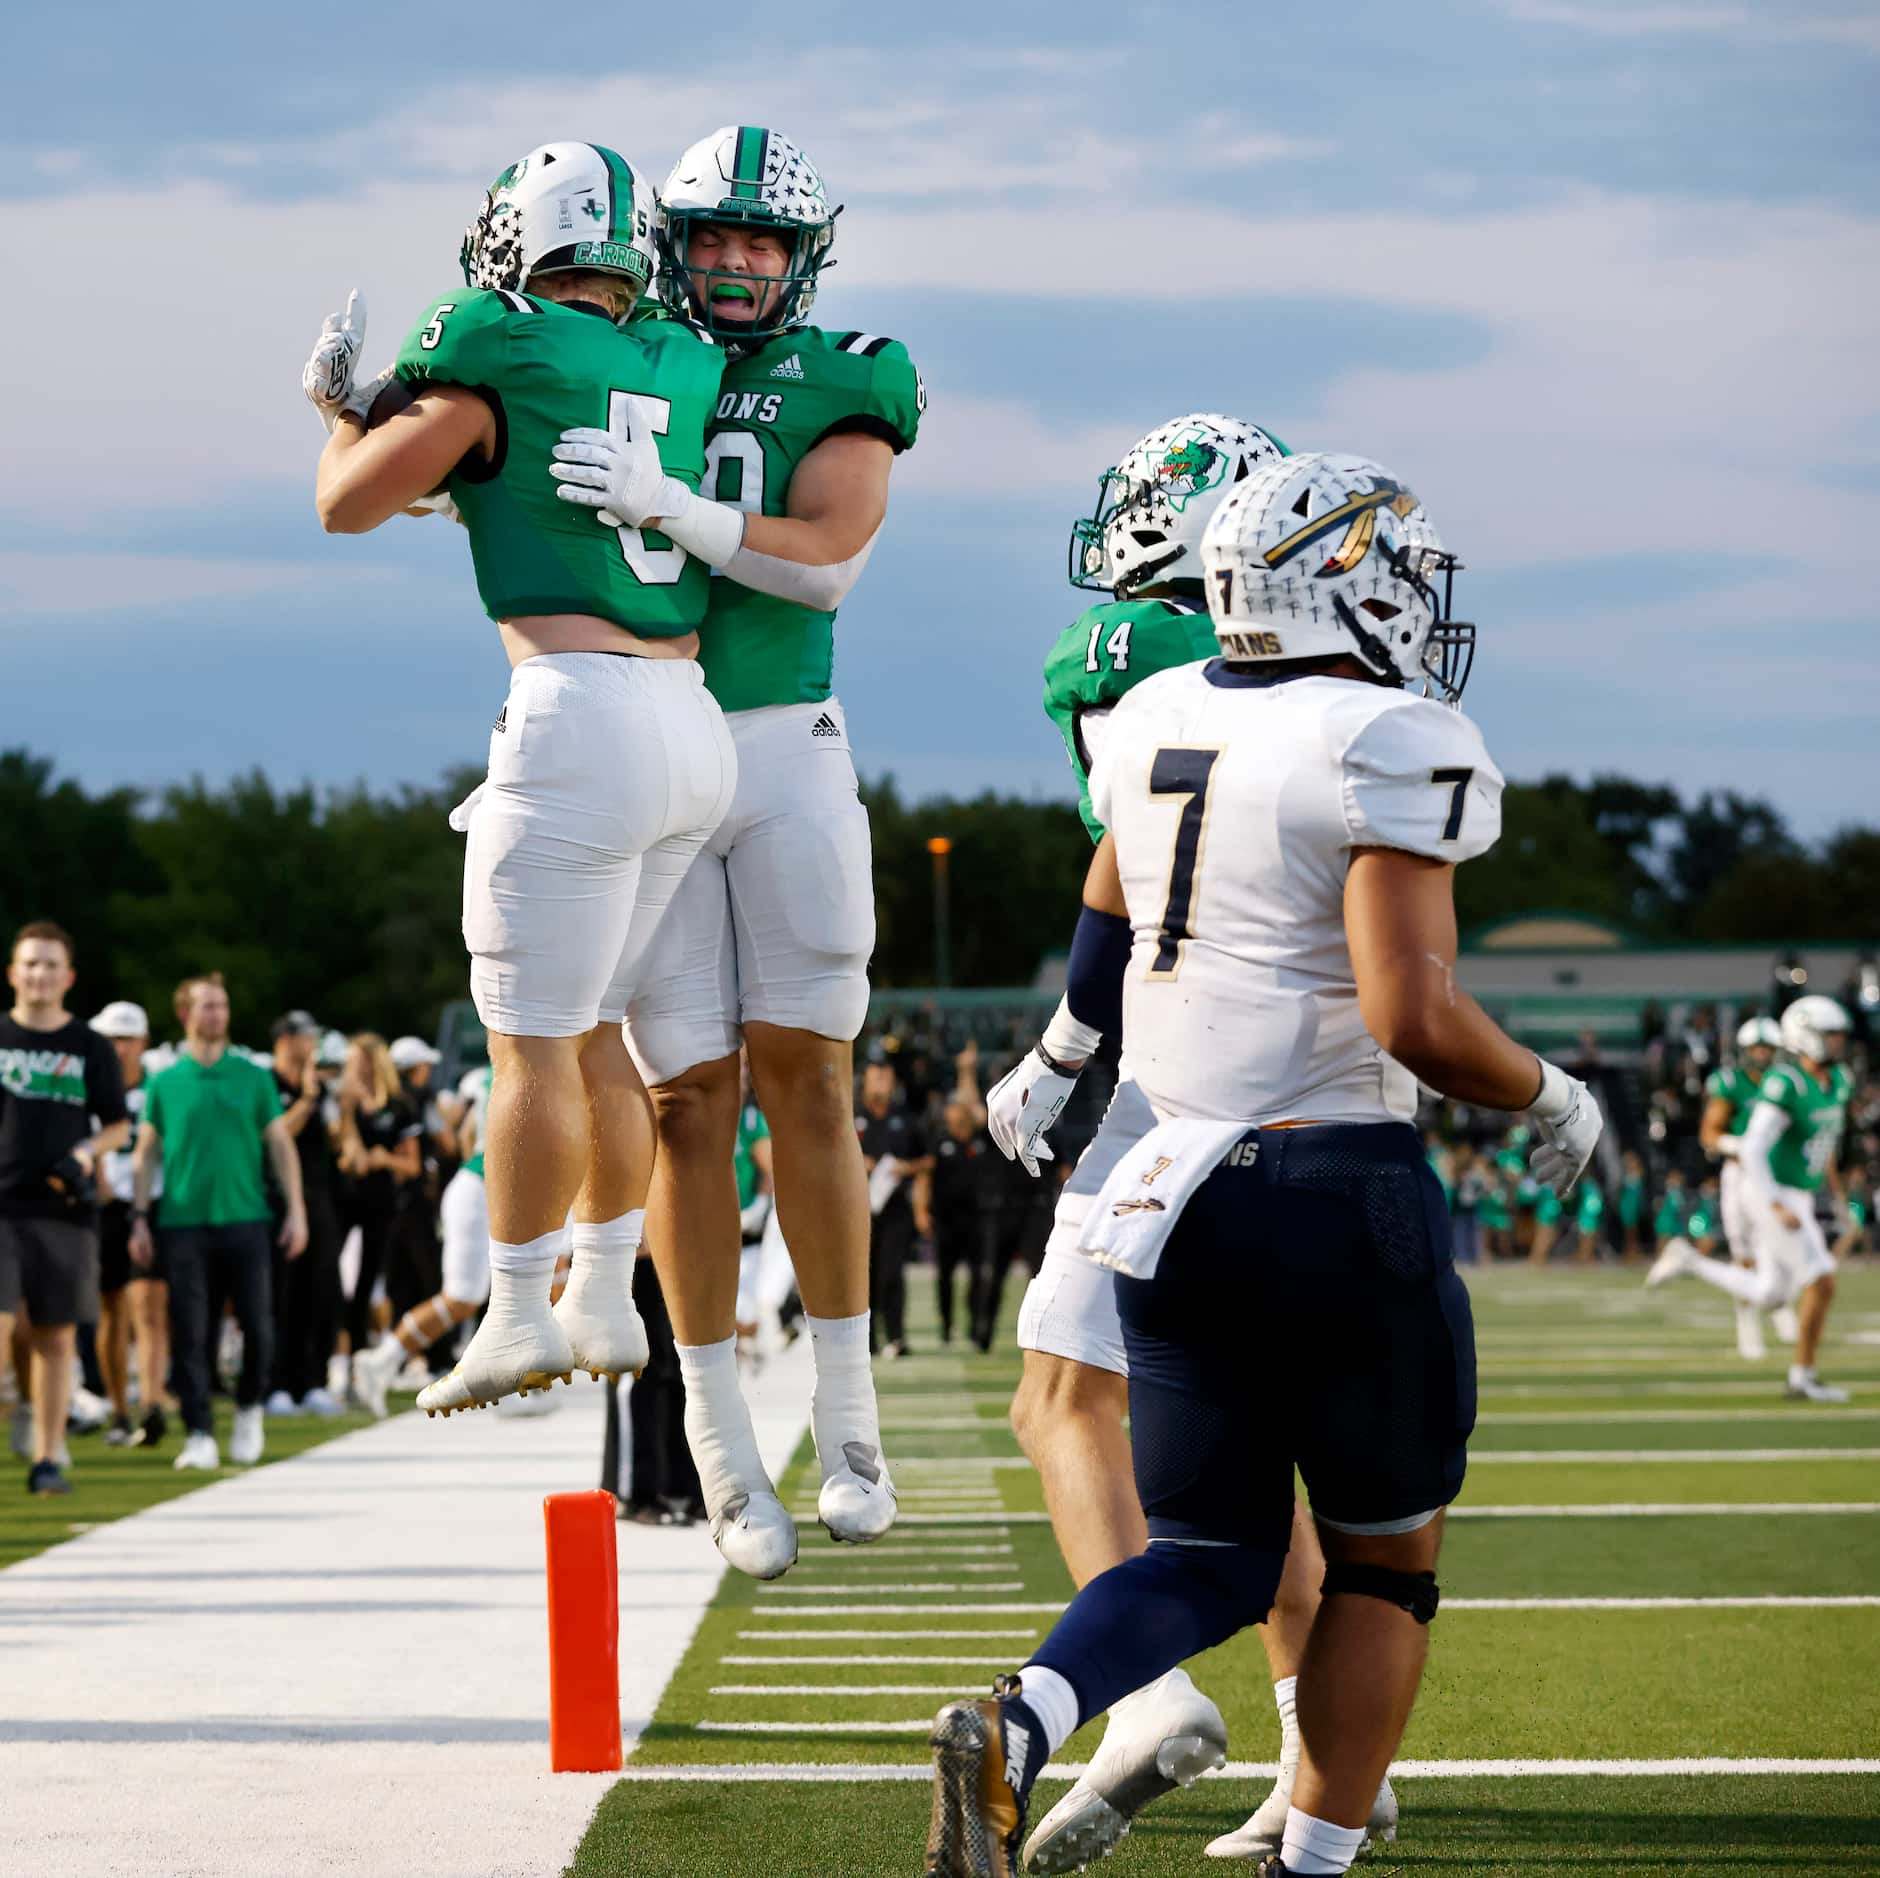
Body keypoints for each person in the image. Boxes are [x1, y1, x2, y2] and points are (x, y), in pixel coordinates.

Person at [925, 452, 1602, 1878]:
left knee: (1206, 1554)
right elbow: (1413, 1015)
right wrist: (1550, 1090)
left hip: (1169, 1194)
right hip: (1335, 1184)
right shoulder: (1392, 734)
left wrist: (1062, 1045)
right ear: (1340, 580)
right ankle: (1316, 1860)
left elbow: (1110, 874)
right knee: (1379, 1561)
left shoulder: (1156, 709)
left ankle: (1030, 1707)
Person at [991, 415, 1384, 1869]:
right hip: (1315, 1075)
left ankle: (1143, 1696)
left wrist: (1065, 1048)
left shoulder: (1117, 657)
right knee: (1261, 1446)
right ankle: (1323, 1747)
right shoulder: (1340, 682)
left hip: (1179, 1069)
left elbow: (1132, 857)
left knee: (1057, 1395)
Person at [306, 140, 735, 1415]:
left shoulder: (490, 338)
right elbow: (529, 482)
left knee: (529, 1048)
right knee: (596, 1026)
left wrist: (339, 410)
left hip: (576, 714)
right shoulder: (675, 352)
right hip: (690, 719)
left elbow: (346, 504)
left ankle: (510, 1312)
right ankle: (600, 1292)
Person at [551, 125, 924, 1579]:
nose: (735, 264)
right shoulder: (612, 348)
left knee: (810, 1079)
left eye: (763, 243)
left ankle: (847, 1416)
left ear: (803, 257)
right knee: (686, 1109)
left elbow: (824, 557)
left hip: (778, 741)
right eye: (713, 237)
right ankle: (713, 1440)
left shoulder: (851, 372)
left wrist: (676, 508)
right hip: (648, 740)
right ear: (672, 242)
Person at [131, 975, 308, 1471]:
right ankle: (199, 1432)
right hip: (182, 1222)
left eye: (222, 1006)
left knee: (258, 1324)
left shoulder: (252, 1076)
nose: (217, 1014)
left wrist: (296, 1209)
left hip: (247, 1218)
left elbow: (279, 1145)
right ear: (185, 1013)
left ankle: (250, 1409)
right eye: (207, 1006)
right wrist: (139, 1218)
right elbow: (145, 1153)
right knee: (190, 1331)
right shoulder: (165, 1081)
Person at [1648, 995, 1855, 1402]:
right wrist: (1775, 1201)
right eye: (1829, 1035)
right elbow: (1752, 1148)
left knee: (1772, 1293)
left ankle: (1691, 1260)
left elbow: (1823, 1143)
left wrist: (1836, 1192)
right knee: (1821, 1280)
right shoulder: (1786, 1082)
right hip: (1767, 1188)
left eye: (1839, 1036)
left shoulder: (1841, 1080)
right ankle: (1801, 1377)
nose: (1837, 1043)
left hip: (1797, 1190)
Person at [0, 924, 129, 1495]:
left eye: (51, 965)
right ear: (13, 972)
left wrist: (85, 1152)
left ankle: (47, 1459)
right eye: (30, 964)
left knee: (55, 1339)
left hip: (62, 1211)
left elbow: (119, 1125)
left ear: (68, 977)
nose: (39, 974)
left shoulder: (89, 1045)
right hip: (0, 1205)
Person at [89, 1001, 165, 1446]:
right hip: (104, 1206)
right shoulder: (88, 1089)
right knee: (111, 1313)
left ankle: (151, 1403)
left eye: (127, 1039)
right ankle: (120, 1407)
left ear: (143, 1042)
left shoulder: (158, 1088)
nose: (119, 1049)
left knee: (149, 1306)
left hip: (150, 1203)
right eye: (112, 1039)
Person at [264, 1011, 345, 1417]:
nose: (313, 1043)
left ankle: (313, 1381)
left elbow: (338, 1144)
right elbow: (276, 1137)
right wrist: (308, 1099)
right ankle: (276, 1383)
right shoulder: (267, 1083)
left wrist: (336, 1104)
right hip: (276, 1200)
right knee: (282, 1294)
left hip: (320, 1198)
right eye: (307, 1036)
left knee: (320, 1292)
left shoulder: (318, 1087)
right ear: (287, 1038)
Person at [1698, 1017, 1788, 1360]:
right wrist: (1742, 1146)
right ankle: (1747, 1325)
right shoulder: (1731, 1083)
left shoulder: (1789, 1083)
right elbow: (1709, 1134)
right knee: (1744, 1253)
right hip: (1741, 1174)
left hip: (1779, 1172)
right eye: (1757, 1048)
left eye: (1768, 1048)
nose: (1763, 1054)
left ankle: (1779, 1309)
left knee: (1781, 1247)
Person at [857, 1053, 932, 1360]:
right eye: (877, 1077)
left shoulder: (905, 1118)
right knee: (864, 1275)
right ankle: (867, 1339)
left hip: (896, 1206)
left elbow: (928, 1159)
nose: (883, 1083)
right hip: (859, 1208)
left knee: (891, 1272)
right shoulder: (851, 1115)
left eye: (887, 1077)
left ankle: (896, 1336)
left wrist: (905, 1168)